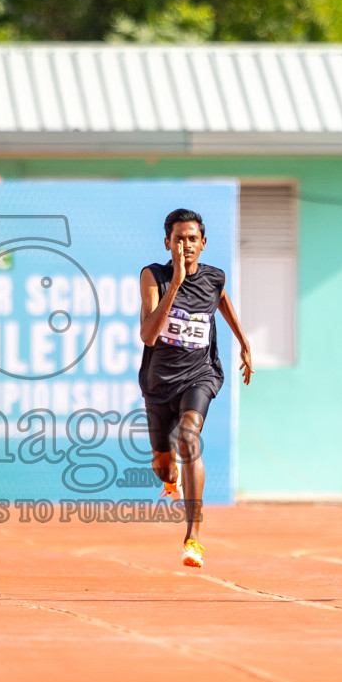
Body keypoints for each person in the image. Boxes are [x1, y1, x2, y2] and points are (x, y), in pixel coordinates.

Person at [138, 209, 252, 568]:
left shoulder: (214, 277)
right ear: (167, 243)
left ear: (202, 243)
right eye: (178, 239)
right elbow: (149, 334)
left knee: (189, 436)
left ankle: (193, 537)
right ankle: (172, 480)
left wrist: (244, 342)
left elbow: (222, 301)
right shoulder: (153, 276)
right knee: (164, 466)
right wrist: (175, 284)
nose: (185, 245)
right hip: (159, 383)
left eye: (191, 239)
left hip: (200, 375)